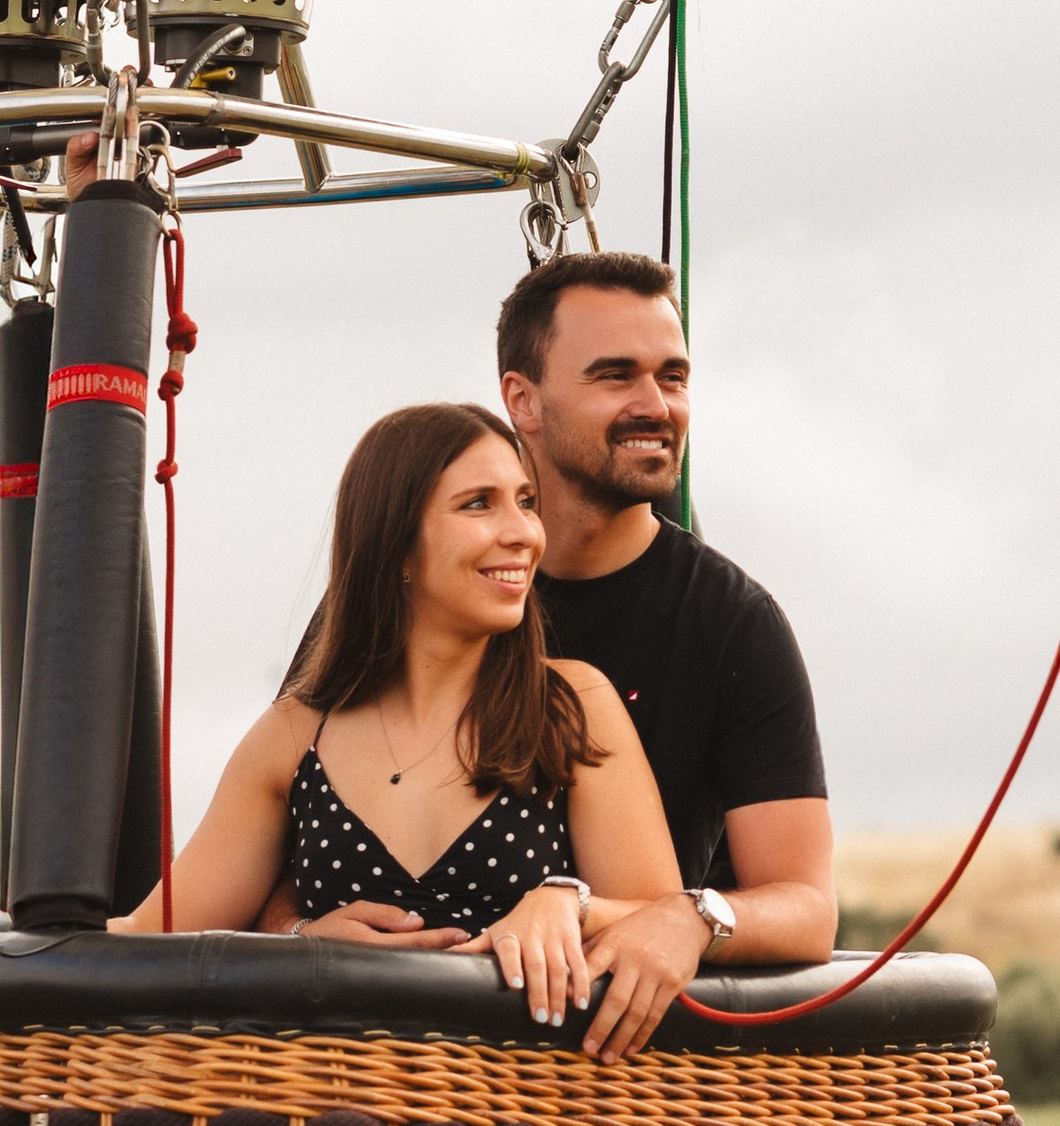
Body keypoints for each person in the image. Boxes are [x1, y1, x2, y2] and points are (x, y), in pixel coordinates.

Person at [129, 399, 684, 1052]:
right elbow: (153, 937)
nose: (524, 532)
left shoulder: (571, 704)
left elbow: (663, 921)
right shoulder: (295, 734)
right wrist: (296, 945)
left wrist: (569, 902)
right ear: (395, 544)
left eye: (526, 501)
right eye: (479, 504)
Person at [496, 249, 836, 1051]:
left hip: (620, 1074)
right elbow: (290, 813)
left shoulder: (733, 622)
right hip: (405, 1070)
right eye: (616, 376)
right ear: (524, 401)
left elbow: (807, 907)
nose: (656, 405)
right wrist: (301, 927)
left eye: (673, 377)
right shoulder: (419, 588)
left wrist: (696, 918)